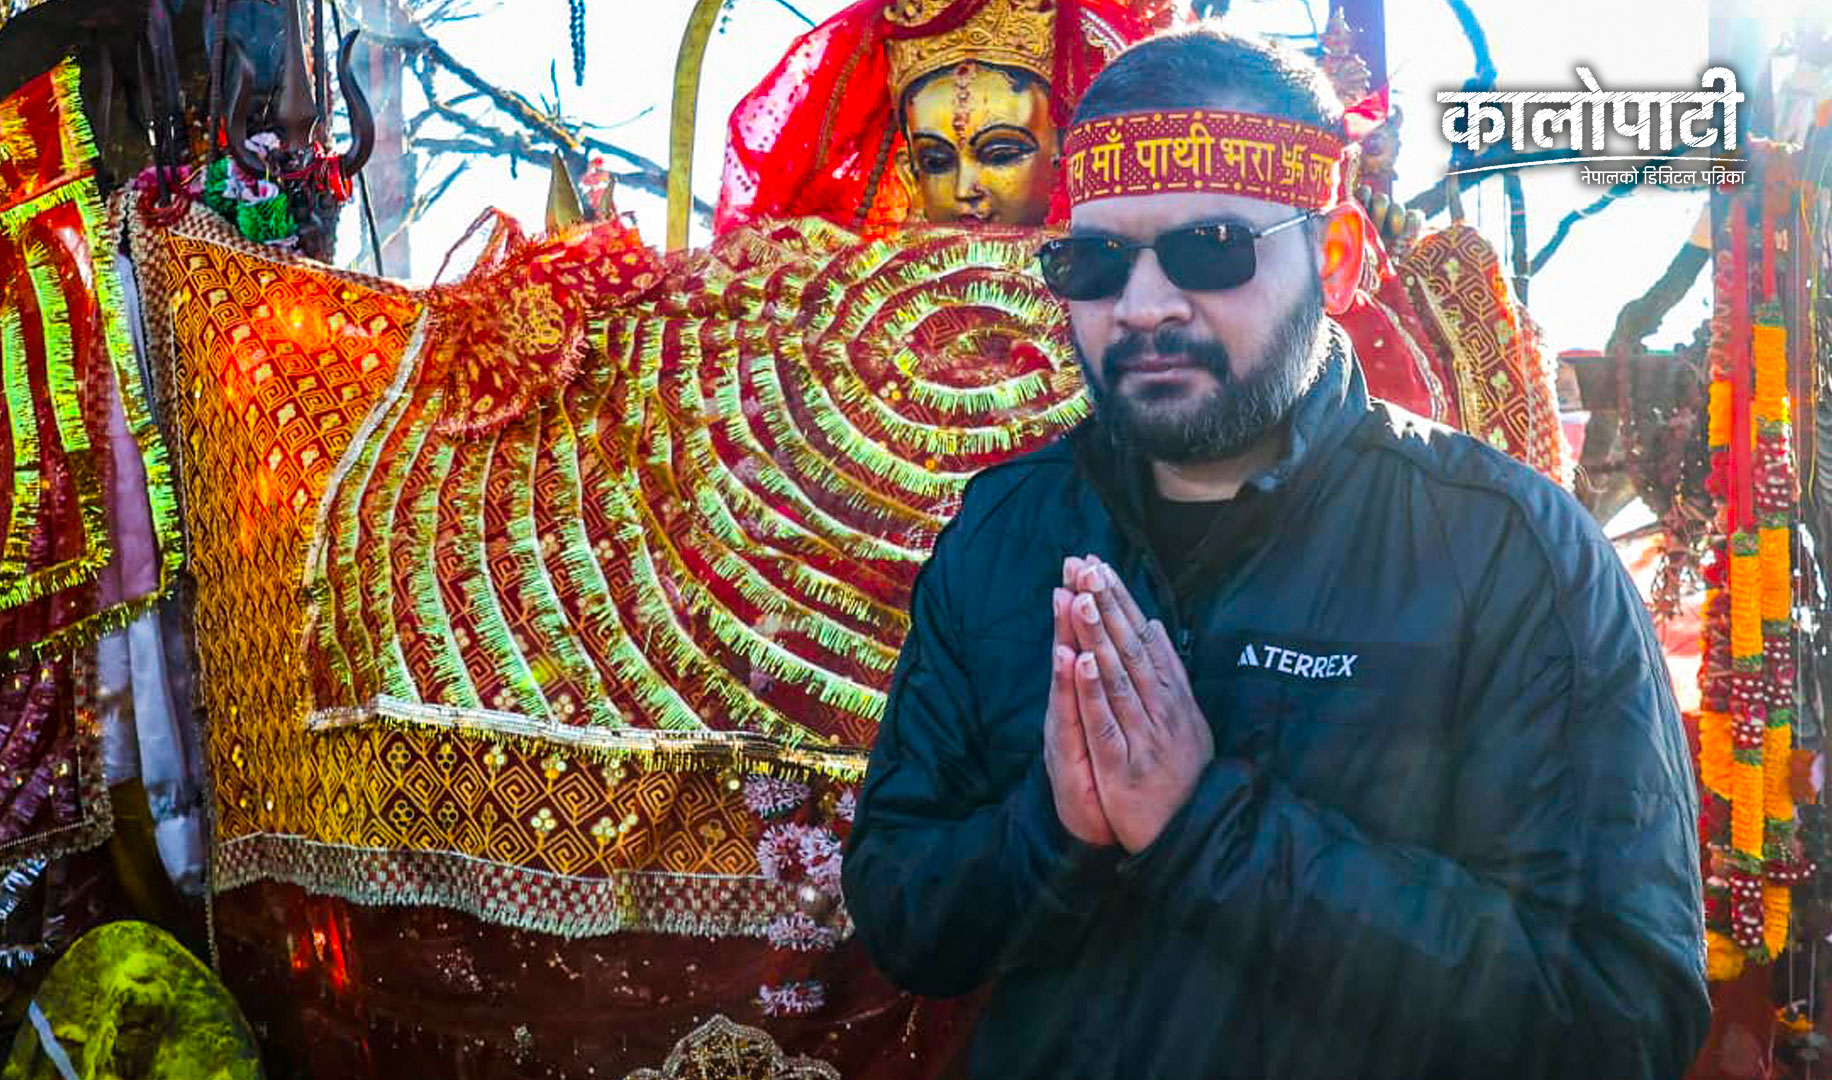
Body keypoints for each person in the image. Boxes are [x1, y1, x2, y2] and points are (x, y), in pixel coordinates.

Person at [840, 25, 1711, 1080]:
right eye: (1096, 263)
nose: (1143, 307)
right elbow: (905, 919)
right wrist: (1053, 828)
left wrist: (1206, 828)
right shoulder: (1004, 534)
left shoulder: (1510, 555)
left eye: (1211, 248)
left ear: (1334, 259)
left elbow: (1622, 1019)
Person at [714, 0, 1168, 237]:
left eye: (1001, 153)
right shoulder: (856, 321)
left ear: (1066, 155)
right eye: (936, 161)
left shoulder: (1136, 299)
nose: (964, 189)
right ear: (907, 173)